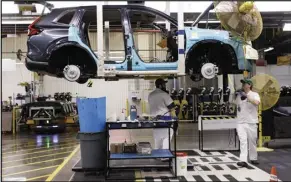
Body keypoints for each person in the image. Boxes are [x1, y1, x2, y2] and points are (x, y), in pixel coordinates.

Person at [148, 78, 176, 159]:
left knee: (157, 139)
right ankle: (165, 157)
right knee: (166, 138)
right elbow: (172, 108)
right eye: (164, 84)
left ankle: (157, 155)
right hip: (165, 121)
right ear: (160, 85)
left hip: (154, 121)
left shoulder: (151, 95)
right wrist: (174, 119)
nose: (165, 86)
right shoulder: (164, 94)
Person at [236, 79, 261, 167]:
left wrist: (247, 97)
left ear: (249, 85)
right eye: (242, 83)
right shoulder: (239, 95)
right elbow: (233, 104)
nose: (243, 85)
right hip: (241, 122)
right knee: (243, 141)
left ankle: (253, 158)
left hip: (251, 122)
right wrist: (233, 95)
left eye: (245, 83)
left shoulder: (255, 94)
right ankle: (243, 160)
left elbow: (257, 102)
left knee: (252, 141)